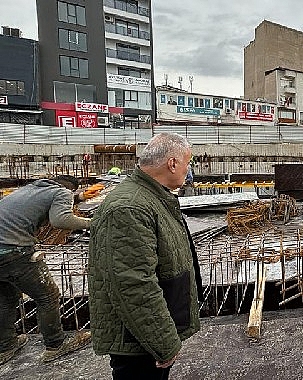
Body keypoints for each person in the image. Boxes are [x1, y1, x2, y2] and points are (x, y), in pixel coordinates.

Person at [88, 133, 203, 379]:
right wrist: (162, 342)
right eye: (187, 162)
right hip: (139, 344)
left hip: (145, 338)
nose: (188, 169)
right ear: (172, 164)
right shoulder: (129, 207)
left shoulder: (152, 197)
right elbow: (134, 284)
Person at [0, 175, 93, 365]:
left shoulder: (29, 189)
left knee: (6, 298)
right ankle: (56, 344)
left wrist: (80, 198)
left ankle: (6, 346)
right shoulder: (63, 192)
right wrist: (91, 223)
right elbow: (61, 220)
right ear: (69, 189)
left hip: (2, 250)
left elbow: (41, 205)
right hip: (14, 251)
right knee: (47, 296)